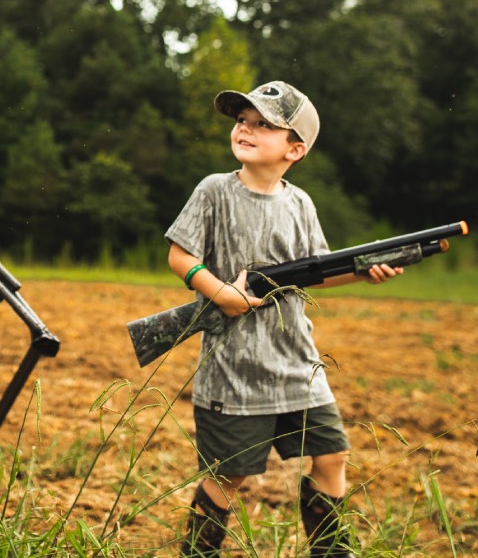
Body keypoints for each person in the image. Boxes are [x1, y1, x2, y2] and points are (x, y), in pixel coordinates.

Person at [165, 81, 402, 558]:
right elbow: (179, 254)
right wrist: (218, 290)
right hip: (234, 370)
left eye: (263, 124)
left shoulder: (301, 204)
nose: (246, 129)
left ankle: (331, 552)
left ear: (295, 149)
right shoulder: (214, 190)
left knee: (333, 454)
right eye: (242, 121)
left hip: (298, 364)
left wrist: (362, 274)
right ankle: (199, 553)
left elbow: (316, 274)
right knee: (229, 475)